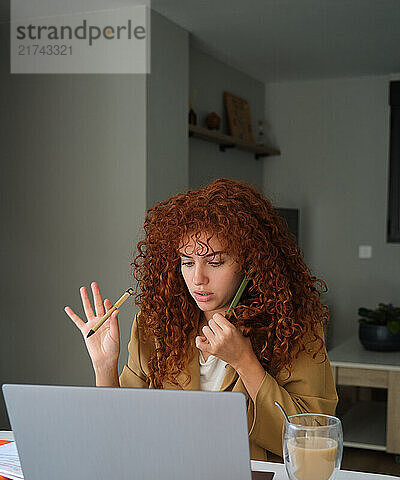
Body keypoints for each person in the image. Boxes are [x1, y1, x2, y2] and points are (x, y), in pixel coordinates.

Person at [65, 178, 338, 461]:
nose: (198, 279)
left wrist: (244, 361)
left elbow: (313, 439)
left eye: (216, 262)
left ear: (250, 262)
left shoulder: (294, 326)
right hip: (169, 478)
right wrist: (105, 367)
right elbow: (119, 429)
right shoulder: (155, 324)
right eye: (187, 262)